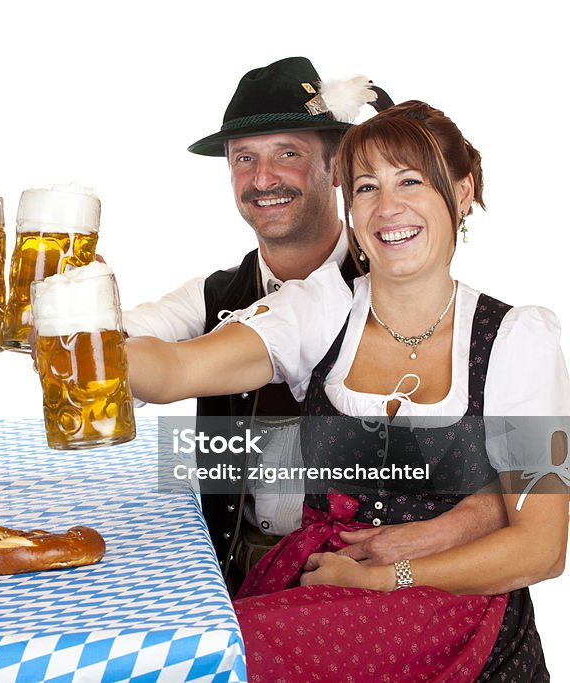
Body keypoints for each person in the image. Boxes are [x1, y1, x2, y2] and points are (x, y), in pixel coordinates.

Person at [128, 100, 569, 679]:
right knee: (200, 648)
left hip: (461, 617)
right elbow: (174, 372)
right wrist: (75, 333)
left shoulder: (517, 340)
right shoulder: (321, 308)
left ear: (461, 194)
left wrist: (389, 576)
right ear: (350, 205)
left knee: (226, 653)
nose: (388, 207)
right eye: (366, 187)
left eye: (410, 181)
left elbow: (542, 548)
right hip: (324, 588)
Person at [122, 57, 505, 588]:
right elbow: (145, 353)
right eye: (244, 158)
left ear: (336, 170)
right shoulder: (223, 295)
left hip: (370, 576)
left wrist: (473, 517)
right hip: (237, 571)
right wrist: (68, 319)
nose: (263, 177)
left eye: (288, 153)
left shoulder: (408, 291)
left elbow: (525, 483)